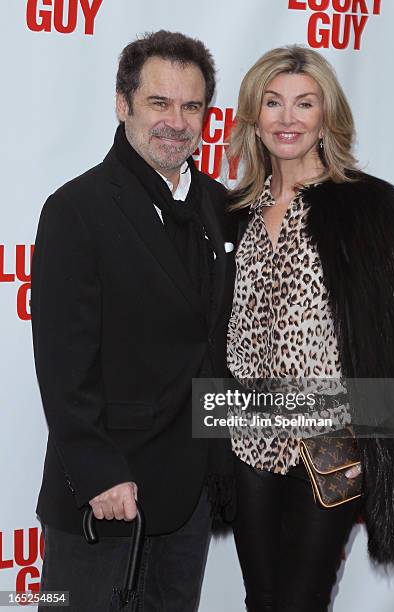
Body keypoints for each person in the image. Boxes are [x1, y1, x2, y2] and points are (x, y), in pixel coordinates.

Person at [226, 44, 394, 611]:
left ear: (327, 117)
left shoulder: (369, 209)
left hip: (333, 439)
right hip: (246, 435)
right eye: (273, 103)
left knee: (302, 602)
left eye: (304, 103)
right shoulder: (231, 213)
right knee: (262, 601)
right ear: (253, 114)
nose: (287, 118)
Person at [31, 30, 235, 612]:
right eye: (158, 103)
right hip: (106, 496)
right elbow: (63, 361)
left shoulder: (223, 207)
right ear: (123, 105)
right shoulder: (77, 208)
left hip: (190, 494)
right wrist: (98, 473)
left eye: (191, 106)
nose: (176, 121)